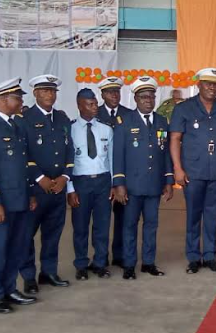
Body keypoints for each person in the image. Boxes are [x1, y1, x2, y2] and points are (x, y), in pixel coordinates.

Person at [169, 68, 216, 274]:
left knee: (213, 215)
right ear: (198, 84)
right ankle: (194, 257)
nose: (212, 88)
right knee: (194, 215)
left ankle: (210, 256)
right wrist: (178, 169)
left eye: (215, 84)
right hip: (192, 172)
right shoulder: (184, 108)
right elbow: (175, 139)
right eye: (207, 83)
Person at [0, 78, 38, 314]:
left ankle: (9, 289)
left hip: (20, 199)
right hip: (1, 203)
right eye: (18, 97)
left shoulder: (15, 126)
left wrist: (30, 194)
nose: (21, 101)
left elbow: (22, 166)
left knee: (17, 247)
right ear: (4, 99)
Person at [113, 77, 174, 280]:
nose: (148, 100)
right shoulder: (124, 122)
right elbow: (118, 155)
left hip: (154, 185)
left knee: (151, 225)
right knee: (129, 226)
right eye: (144, 97)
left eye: (151, 96)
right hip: (131, 186)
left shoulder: (161, 121)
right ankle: (129, 265)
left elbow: (165, 153)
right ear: (136, 99)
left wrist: (168, 180)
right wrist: (119, 184)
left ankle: (148, 263)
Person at [19, 75, 73, 295]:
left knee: (53, 233)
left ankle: (48, 272)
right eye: (44, 91)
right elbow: (23, 154)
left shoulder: (62, 119)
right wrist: (39, 178)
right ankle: (29, 276)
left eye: (52, 91)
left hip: (58, 187)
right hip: (35, 188)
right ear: (35, 94)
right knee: (27, 234)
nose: (50, 95)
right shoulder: (24, 119)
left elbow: (70, 149)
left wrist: (65, 177)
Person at [67, 88, 114, 281]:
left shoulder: (106, 129)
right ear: (79, 105)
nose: (95, 107)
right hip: (80, 182)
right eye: (90, 104)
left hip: (103, 181)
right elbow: (67, 162)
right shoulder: (69, 129)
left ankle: (100, 263)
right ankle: (81, 264)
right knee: (80, 227)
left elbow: (111, 159)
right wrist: (70, 189)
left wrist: (113, 184)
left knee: (102, 226)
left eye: (95, 103)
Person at [96, 77, 132, 269]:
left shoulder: (128, 114)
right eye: (110, 92)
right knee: (101, 221)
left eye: (117, 91)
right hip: (100, 174)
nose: (114, 95)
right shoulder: (95, 112)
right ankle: (99, 259)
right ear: (102, 95)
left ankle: (119, 255)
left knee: (123, 218)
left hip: (121, 175)